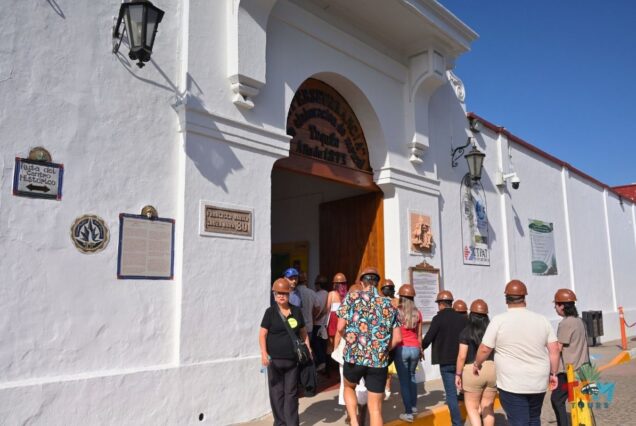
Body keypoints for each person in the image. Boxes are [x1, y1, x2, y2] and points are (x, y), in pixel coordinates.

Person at [473, 279, 560, 426]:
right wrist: (554, 374)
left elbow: (484, 348)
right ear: (524, 298)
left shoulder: (499, 320)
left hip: (512, 383)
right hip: (538, 381)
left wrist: (477, 363)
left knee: (518, 421)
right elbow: (554, 350)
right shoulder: (542, 320)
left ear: (506, 299)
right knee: (534, 419)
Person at [336, 267, 402, 426]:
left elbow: (339, 327)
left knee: (349, 387)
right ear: (377, 283)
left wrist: (351, 340)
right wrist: (383, 349)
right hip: (378, 361)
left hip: (354, 357)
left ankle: (354, 421)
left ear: (361, 282)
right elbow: (398, 338)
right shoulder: (388, 304)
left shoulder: (351, 298)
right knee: (376, 410)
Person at [259, 278, 312, 426]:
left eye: (284, 293)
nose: (281, 296)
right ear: (274, 295)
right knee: (276, 393)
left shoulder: (296, 311)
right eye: (278, 293)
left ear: (289, 294)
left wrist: (308, 349)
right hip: (274, 360)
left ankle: (292, 423)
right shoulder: (270, 312)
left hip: (292, 360)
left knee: (292, 394)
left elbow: (303, 332)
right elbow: (262, 334)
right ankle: (280, 423)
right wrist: (264, 353)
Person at [421, 290, 467, 426]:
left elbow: (428, 337)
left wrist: (421, 348)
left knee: (451, 395)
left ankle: (457, 423)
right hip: (461, 360)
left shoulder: (438, 318)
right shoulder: (462, 319)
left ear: (440, 304)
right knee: (467, 390)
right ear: (451, 303)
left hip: (445, 362)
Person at [550, 288, 589, 426]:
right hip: (582, 368)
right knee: (579, 402)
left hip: (569, 371)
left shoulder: (566, 323)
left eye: (555, 305)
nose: (555, 308)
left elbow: (558, 348)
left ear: (562, 306)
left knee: (557, 400)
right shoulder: (580, 321)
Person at [455, 299, 497, 426]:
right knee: (488, 409)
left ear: (471, 315)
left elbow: (462, 356)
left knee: (473, 410)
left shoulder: (466, 332)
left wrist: (458, 374)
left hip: (472, 371)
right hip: (491, 368)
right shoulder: (491, 331)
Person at [394, 284, 423, 423]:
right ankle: (413, 406)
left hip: (402, 348)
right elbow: (419, 335)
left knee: (404, 381)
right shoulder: (418, 313)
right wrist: (421, 350)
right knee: (412, 377)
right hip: (415, 349)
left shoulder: (397, 312)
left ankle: (408, 412)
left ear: (401, 297)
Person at [379, 278, 398, 400]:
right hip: (394, 337)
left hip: (386, 337)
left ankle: (385, 389)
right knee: (388, 367)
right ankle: (387, 389)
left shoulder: (382, 302)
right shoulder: (397, 301)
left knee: (384, 367)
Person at [312, 275, 330, 372]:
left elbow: (316, 308)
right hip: (326, 323)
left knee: (316, 344)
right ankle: (325, 364)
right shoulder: (329, 294)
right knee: (324, 345)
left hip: (317, 323)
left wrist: (314, 318)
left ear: (318, 285)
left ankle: (321, 363)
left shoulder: (316, 295)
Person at [327, 272, 347, 354]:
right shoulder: (347, 294)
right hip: (342, 318)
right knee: (341, 339)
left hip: (333, 318)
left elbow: (327, 308)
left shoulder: (331, 293)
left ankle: (332, 360)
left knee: (331, 341)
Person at [296, 272, 319, 340]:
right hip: (308, 326)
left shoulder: (293, 292)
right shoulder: (311, 292)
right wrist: (313, 318)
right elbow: (317, 308)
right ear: (306, 281)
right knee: (307, 348)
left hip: (296, 326)